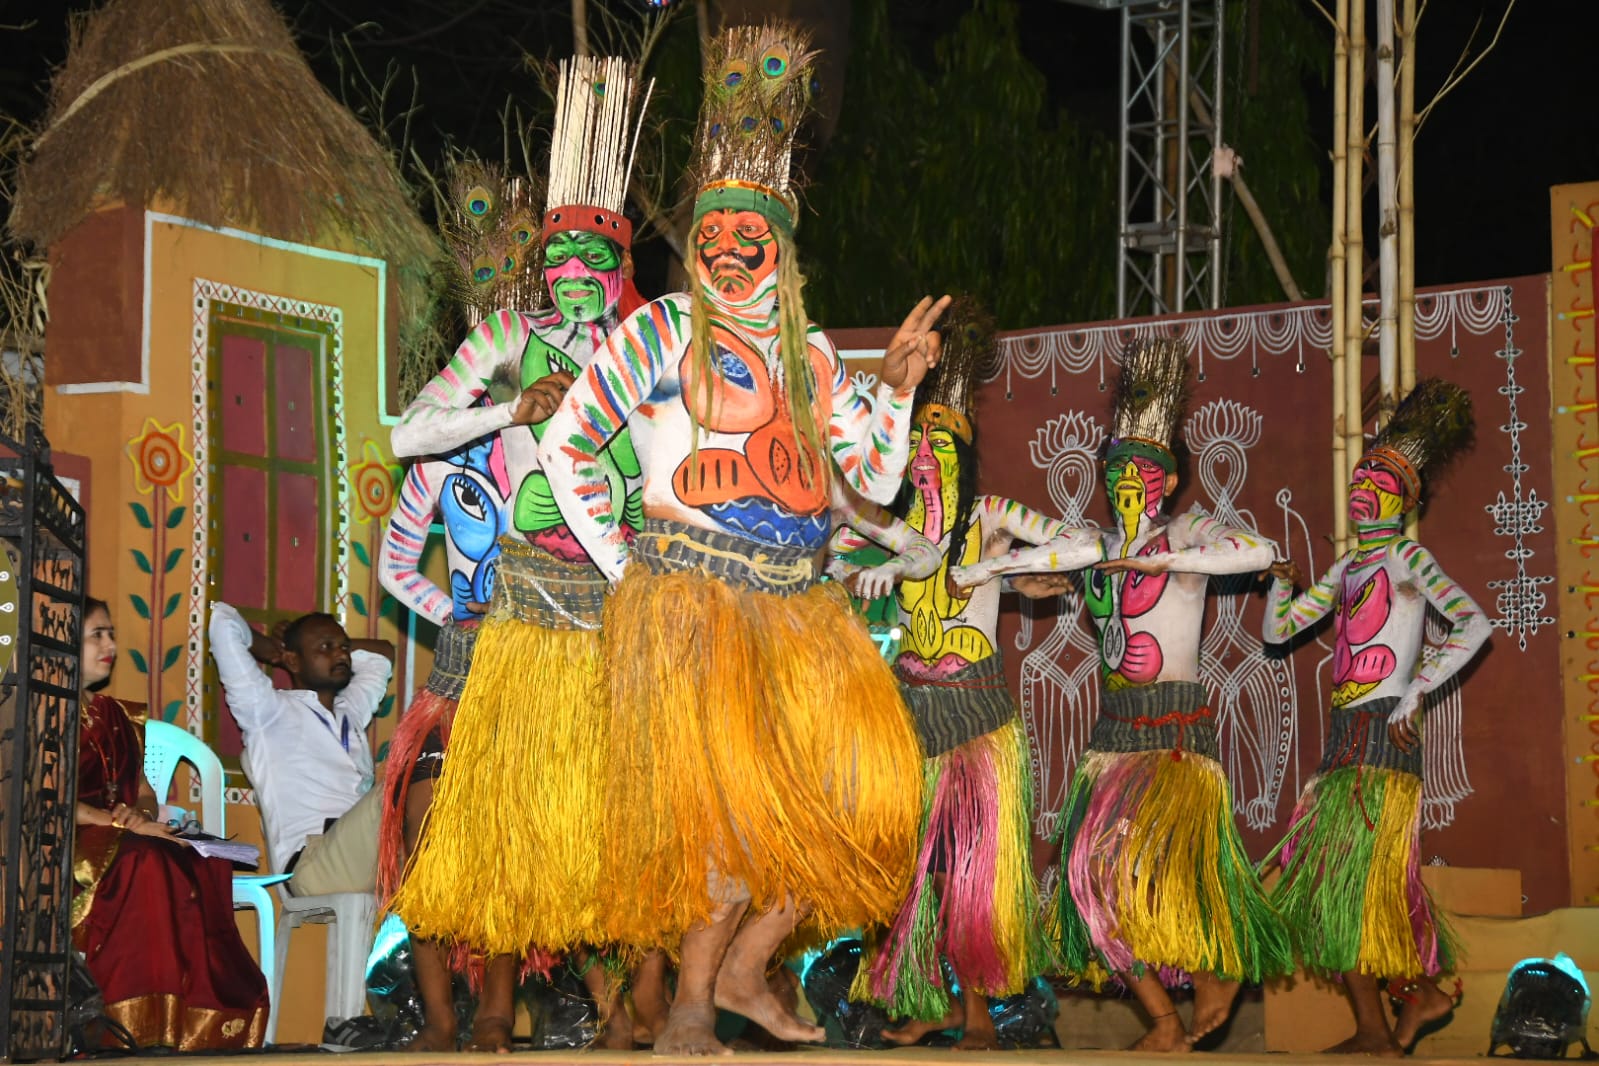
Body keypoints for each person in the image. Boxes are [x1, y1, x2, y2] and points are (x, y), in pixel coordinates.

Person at [538, 24, 948, 1055]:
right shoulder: (662, 328)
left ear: (780, 242)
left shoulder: (812, 353)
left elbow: (872, 480)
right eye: (710, 230)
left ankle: (747, 969)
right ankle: (688, 1007)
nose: (725, 248)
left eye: (746, 232)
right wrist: (623, 564)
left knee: (856, 799)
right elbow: (566, 443)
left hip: (800, 609)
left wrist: (898, 389)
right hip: (694, 600)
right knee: (725, 821)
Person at [386, 55, 653, 1052]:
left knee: (615, 827)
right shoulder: (506, 335)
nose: (575, 274)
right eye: (561, 256)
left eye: (595, 256)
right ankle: (481, 1015)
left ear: (619, 259)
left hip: (620, 612)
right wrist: (509, 409)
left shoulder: (650, 344)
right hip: (514, 625)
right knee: (501, 820)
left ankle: (632, 1011)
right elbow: (410, 433)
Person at [952, 338, 1291, 1052]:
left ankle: (1215, 969)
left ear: (1170, 479)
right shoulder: (1093, 544)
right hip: (1112, 735)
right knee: (1086, 880)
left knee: (1170, 872)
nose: (1126, 480)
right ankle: (1164, 1021)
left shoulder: (1185, 531)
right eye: (1114, 470)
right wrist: (1010, 578)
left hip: (1174, 728)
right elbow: (1026, 568)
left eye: (1142, 469)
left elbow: (1258, 551)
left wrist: (1167, 560)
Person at [838, 300, 1057, 1049]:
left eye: (938, 443)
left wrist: (1002, 569)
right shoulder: (895, 528)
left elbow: (1078, 543)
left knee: (971, 872)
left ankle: (976, 1015)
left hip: (975, 719)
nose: (924, 455)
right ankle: (925, 997)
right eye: (915, 444)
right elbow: (837, 510)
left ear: (961, 455)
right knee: (910, 871)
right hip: (912, 712)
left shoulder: (989, 515)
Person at [1263, 379, 1487, 1057]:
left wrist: (1417, 690)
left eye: (1380, 481)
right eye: (1360, 476)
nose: (1363, 487)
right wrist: (1279, 584)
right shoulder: (1345, 569)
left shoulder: (1407, 557)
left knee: (1354, 885)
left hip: (1385, 730)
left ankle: (1387, 1022)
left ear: (1406, 499)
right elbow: (1278, 632)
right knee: (1337, 888)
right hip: (1344, 737)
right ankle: (1405, 1008)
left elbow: (1473, 623)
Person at [73, 597, 269, 1050]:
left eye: (111, 634)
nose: (110, 645)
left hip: (125, 831)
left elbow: (143, 789)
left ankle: (196, 1024)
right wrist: (121, 825)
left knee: (204, 860)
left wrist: (140, 813)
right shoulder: (44, 713)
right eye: (96, 635)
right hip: (74, 840)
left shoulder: (120, 716)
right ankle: (135, 1022)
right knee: (147, 863)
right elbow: (49, 799)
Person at [208, 602, 393, 897]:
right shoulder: (268, 711)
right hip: (311, 862)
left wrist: (326, 645)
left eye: (344, 647)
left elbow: (383, 655)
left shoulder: (351, 711)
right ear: (293, 661)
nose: (341, 654)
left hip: (366, 855)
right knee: (410, 779)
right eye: (325, 647)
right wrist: (269, 648)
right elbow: (222, 620)